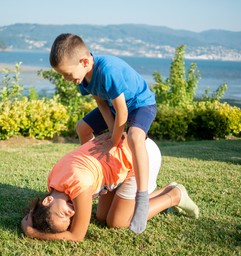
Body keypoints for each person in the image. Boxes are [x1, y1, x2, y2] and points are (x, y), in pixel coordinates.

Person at [49, 33, 157, 234]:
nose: (66, 79)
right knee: (82, 127)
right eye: (62, 75)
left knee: (133, 136)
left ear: (84, 61)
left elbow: (123, 111)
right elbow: (103, 105)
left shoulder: (108, 70)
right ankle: (97, 172)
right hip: (114, 107)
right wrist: (110, 134)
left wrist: (115, 141)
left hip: (140, 105)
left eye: (67, 74)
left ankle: (142, 198)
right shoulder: (83, 76)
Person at [21, 133, 199, 242]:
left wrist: (33, 232)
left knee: (117, 222)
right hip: (120, 158)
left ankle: (174, 195)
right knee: (101, 216)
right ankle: (167, 189)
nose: (72, 214)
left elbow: (77, 236)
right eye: (69, 220)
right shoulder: (54, 180)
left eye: (62, 214)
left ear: (48, 200)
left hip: (141, 156)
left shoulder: (79, 187)